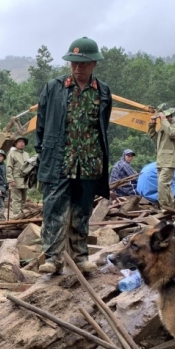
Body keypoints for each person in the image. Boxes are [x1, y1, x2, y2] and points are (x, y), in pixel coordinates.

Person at [35, 37, 112, 275]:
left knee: (82, 211)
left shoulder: (103, 92)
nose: (77, 68)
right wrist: (44, 154)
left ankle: (80, 257)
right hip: (59, 160)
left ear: (94, 65)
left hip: (89, 163)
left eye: (83, 64)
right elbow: (41, 125)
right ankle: (53, 258)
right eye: (74, 63)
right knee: (54, 210)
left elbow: (102, 127)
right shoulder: (54, 88)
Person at [148, 105, 175, 208]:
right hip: (161, 161)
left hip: (169, 160)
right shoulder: (164, 127)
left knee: (162, 184)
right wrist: (152, 124)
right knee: (165, 186)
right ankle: (169, 206)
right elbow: (153, 136)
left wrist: (163, 120)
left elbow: (172, 133)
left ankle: (164, 207)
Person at [5, 137, 30, 218]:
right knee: (16, 200)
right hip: (15, 180)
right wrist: (10, 179)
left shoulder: (26, 154)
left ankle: (21, 216)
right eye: (19, 142)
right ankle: (17, 217)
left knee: (23, 200)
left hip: (25, 181)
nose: (21, 143)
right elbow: (9, 167)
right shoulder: (12, 153)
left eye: (23, 142)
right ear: (15, 144)